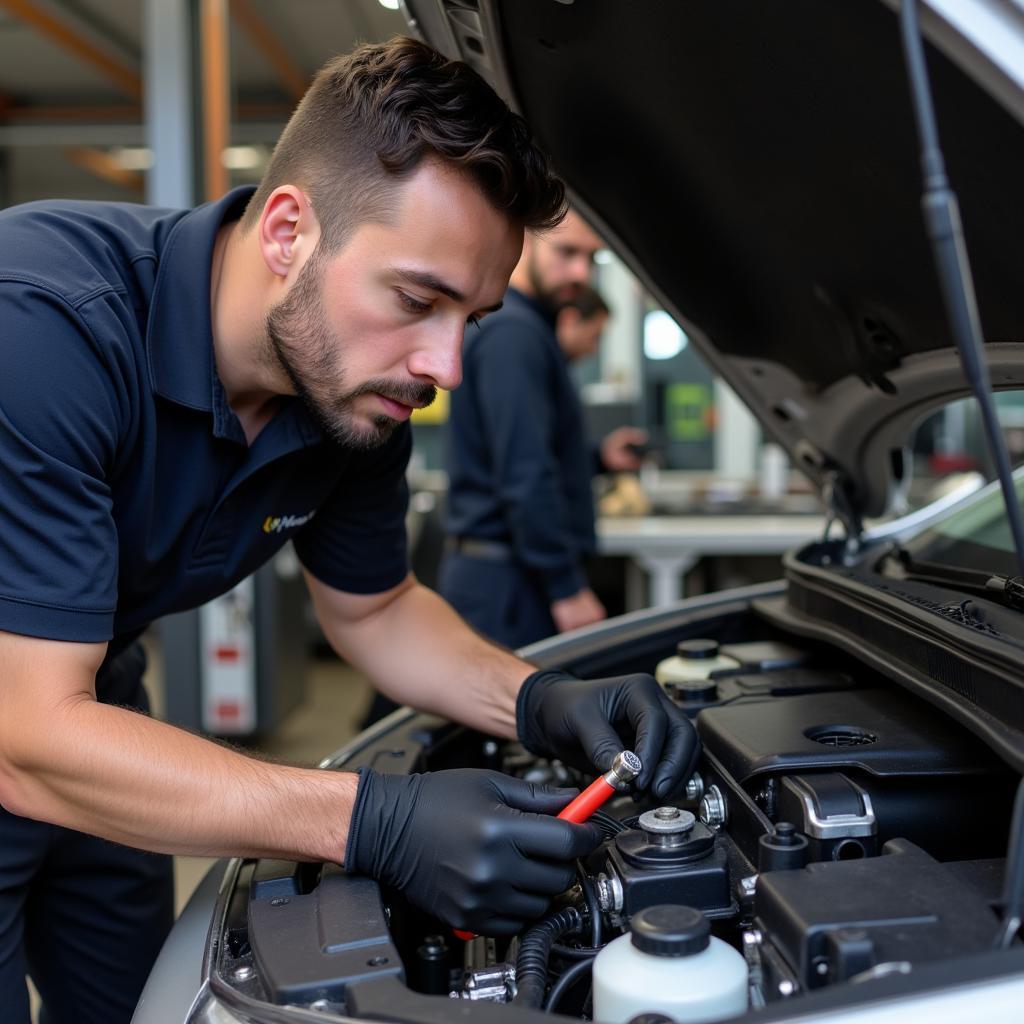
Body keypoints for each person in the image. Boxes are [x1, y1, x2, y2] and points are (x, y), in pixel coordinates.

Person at [0, 37, 698, 1024]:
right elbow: (25, 735)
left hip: (89, 708)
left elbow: (374, 610)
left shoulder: (349, 399)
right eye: (417, 299)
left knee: (142, 1005)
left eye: (473, 317)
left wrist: (539, 699)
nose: (445, 365)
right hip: (33, 719)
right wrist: (372, 820)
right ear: (287, 231)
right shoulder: (42, 330)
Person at [441, 214, 647, 648]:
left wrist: (596, 458)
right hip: (509, 586)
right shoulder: (514, 334)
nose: (580, 273)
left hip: (508, 577)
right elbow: (524, 471)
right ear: (523, 244)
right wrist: (566, 587)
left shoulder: (527, 329)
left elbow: (532, 451)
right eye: (567, 253)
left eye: (592, 258)